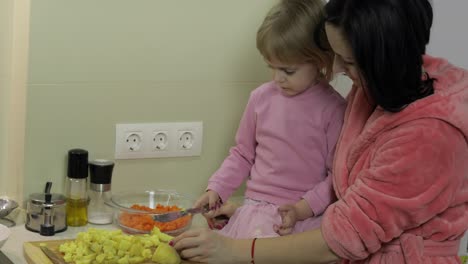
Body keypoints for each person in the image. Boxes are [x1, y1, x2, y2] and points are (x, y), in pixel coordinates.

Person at [172, 0, 468, 263]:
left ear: (386, 57)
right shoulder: (368, 91)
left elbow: (346, 233)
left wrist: (235, 250)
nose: (335, 68)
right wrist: (249, 211)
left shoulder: (432, 136)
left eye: (349, 61)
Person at [194, 0, 346, 239]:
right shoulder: (260, 99)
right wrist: (217, 188)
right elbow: (242, 154)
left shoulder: (333, 109)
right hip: (255, 210)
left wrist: (301, 209)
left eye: (288, 70)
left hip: (302, 217)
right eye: (271, 67)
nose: (277, 78)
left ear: (319, 60)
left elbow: (336, 179)